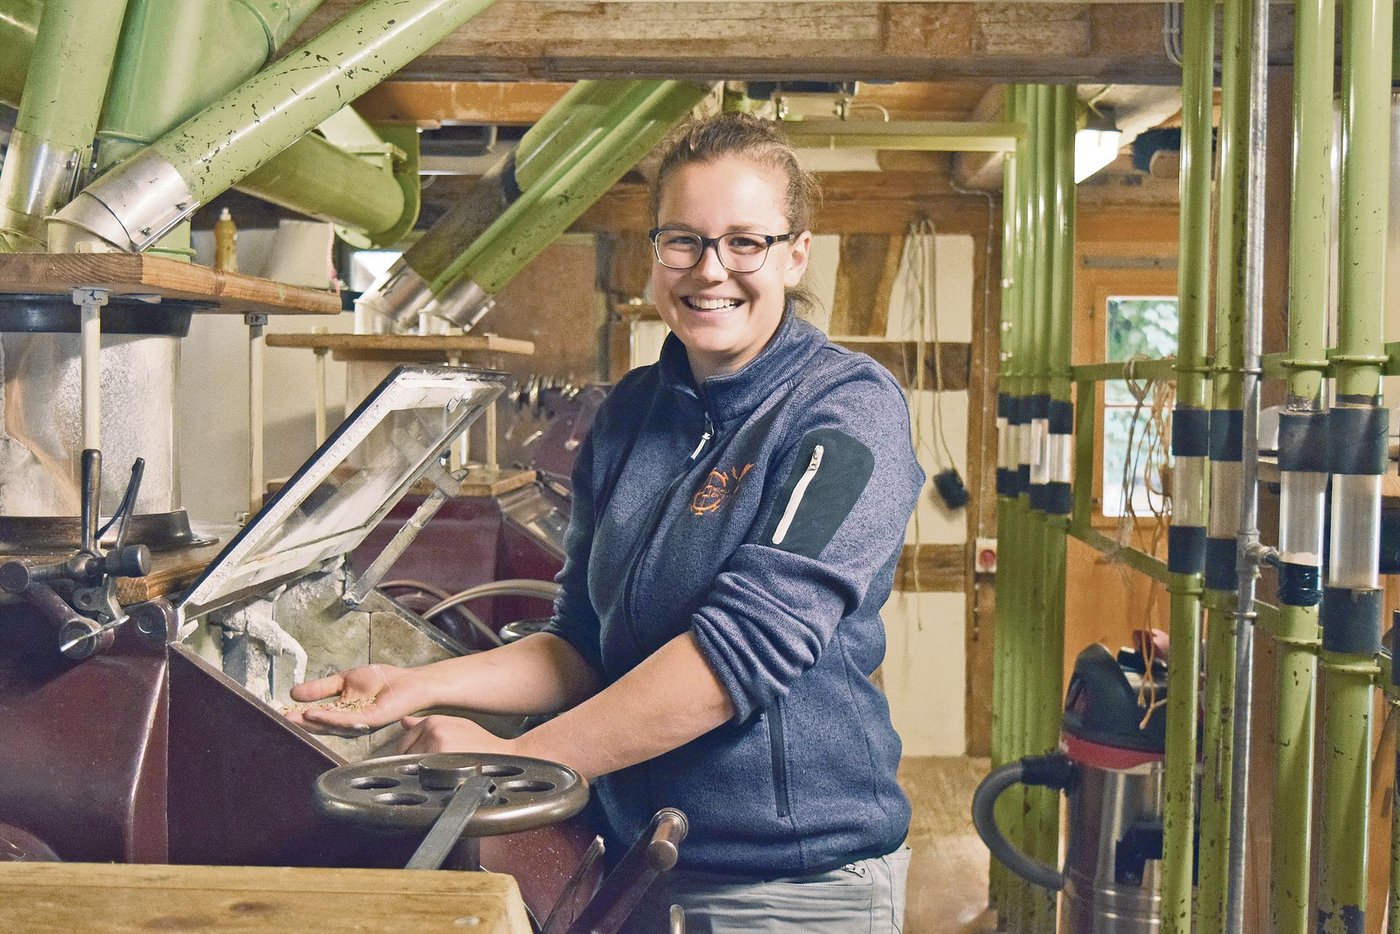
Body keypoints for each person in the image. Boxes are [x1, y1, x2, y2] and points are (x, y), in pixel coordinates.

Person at [287, 111, 925, 932]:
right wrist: (413, 686)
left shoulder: (844, 412)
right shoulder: (629, 413)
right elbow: (582, 642)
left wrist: (513, 762)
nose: (711, 270)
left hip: (788, 885)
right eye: (684, 240)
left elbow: (741, 654)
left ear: (796, 252)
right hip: (637, 858)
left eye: (745, 242)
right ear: (655, 252)